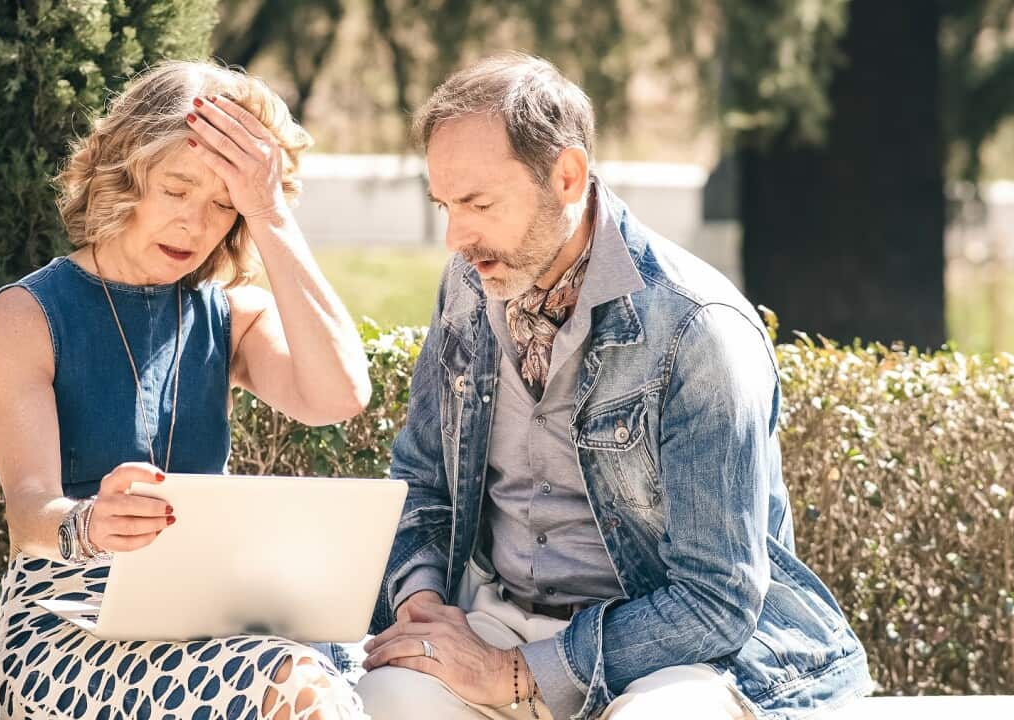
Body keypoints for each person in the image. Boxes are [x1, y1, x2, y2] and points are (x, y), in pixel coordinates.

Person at [355, 53, 874, 720]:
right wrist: (422, 608)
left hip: (676, 663)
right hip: (499, 623)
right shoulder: (469, 284)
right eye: (445, 205)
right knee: (377, 702)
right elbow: (422, 482)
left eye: (478, 202)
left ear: (566, 176)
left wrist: (518, 675)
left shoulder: (698, 328)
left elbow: (715, 601)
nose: (457, 237)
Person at [0, 60, 371, 720]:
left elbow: (339, 396)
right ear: (126, 174)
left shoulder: (232, 313)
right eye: (177, 189)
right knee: (302, 685)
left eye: (224, 202)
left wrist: (270, 212)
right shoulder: (26, 314)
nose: (195, 224)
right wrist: (90, 524)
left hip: (207, 621)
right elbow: (26, 512)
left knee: (367, 679)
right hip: (64, 638)